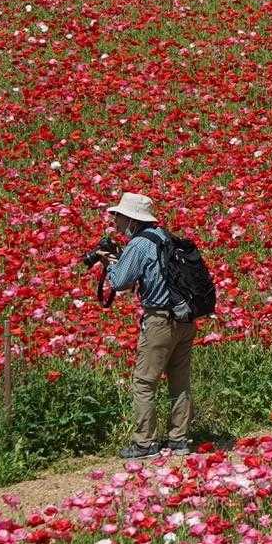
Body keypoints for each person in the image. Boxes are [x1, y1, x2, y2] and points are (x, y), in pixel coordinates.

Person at [97, 192, 195, 458]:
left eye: (118, 217)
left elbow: (120, 282)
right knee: (179, 380)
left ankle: (144, 443)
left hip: (160, 321)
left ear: (132, 219)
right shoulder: (166, 237)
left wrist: (110, 263)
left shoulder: (139, 244)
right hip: (185, 318)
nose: (116, 222)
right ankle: (179, 440)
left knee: (144, 382)